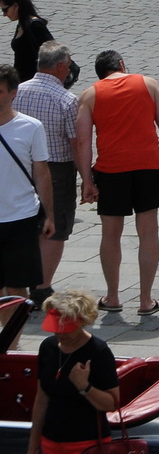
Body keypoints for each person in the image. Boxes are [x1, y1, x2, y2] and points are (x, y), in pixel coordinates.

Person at [25, 291, 120, 454]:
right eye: (56, 326)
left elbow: (112, 403)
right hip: (50, 441)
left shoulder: (98, 352)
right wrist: (32, 448)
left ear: (83, 321)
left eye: (66, 327)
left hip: (86, 444)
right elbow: (41, 399)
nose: (60, 333)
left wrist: (84, 387)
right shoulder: (48, 347)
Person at [16, 44, 78, 300]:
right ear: (61, 66)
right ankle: (42, 287)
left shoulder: (16, 92)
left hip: (21, 166)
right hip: (57, 169)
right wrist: (86, 176)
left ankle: (20, 280)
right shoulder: (66, 99)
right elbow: (76, 142)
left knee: (26, 224)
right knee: (56, 226)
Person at [0, 66, 53, 325]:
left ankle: (11, 345)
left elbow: (41, 173)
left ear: (13, 93)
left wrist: (50, 214)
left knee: (17, 289)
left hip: (20, 218)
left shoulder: (31, 127)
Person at [1, 0, 51, 81]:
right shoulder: (22, 24)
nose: (4, 14)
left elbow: (52, 52)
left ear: (16, 6)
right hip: (22, 81)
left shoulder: (35, 25)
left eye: (5, 10)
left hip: (35, 82)